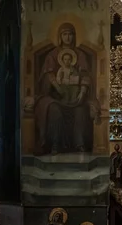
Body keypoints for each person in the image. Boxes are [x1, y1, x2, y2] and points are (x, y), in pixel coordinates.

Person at [34, 23, 100, 155]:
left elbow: (85, 75)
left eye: (70, 34)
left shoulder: (80, 55)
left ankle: (80, 144)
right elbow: (47, 74)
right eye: (65, 34)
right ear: (60, 36)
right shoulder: (53, 55)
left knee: (81, 111)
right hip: (56, 96)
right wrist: (57, 87)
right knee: (53, 110)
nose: (68, 37)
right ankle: (54, 144)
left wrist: (81, 93)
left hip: (76, 97)